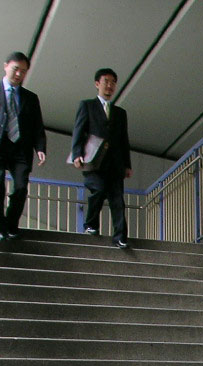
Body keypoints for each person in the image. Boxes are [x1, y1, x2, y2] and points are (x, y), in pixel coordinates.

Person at [0, 52, 47, 241]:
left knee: (21, 187)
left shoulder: (30, 98)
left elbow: (37, 125)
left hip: (20, 149)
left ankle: (11, 225)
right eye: (15, 69)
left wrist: (40, 148)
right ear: (6, 66)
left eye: (23, 71)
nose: (19, 74)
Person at [70, 68, 133, 249]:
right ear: (97, 83)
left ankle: (121, 236)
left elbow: (124, 140)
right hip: (94, 161)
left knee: (117, 200)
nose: (110, 85)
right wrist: (77, 154)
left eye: (113, 82)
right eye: (106, 81)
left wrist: (127, 164)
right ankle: (91, 224)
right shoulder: (87, 106)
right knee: (98, 190)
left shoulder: (120, 113)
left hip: (115, 163)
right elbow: (78, 131)